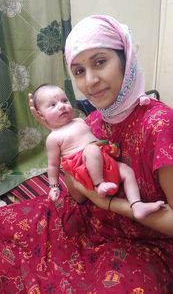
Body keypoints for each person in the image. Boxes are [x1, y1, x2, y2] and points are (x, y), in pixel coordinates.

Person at [0, 15, 173, 294]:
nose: (90, 81)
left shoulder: (161, 126)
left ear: (125, 57)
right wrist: (60, 136)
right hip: (83, 222)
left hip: (141, 242)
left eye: (100, 62)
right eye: (78, 71)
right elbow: (76, 195)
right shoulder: (95, 120)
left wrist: (111, 204)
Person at [32, 83, 164, 219]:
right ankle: (99, 184)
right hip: (83, 168)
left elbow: (93, 139)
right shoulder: (53, 138)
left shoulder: (79, 121)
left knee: (126, 171)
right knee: (91, 149)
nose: (62, 106)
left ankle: (137, 205)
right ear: (41, 115)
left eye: (64, 100)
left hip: (101, 160)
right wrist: (54, 186)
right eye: (52, 105)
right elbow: (53, 165)